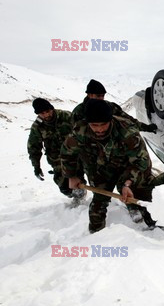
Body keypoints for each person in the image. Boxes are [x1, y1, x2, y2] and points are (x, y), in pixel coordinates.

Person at [61, 99, 158, 233]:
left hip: (126, 167)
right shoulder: (80, 131)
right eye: (94, 125)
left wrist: (128, 183)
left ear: (111, 120)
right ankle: (96, 237)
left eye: (103, 124)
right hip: (99, 169)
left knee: (140, 194)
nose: (99, 129)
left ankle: (156, 228)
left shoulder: (127, 131)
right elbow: (67, 153)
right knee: (98, 204)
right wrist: (72, 175)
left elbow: (142, 162)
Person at [27, 98, 86, 201]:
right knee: (64, 188)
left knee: (77, 180)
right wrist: (36, 166)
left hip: (74, 157)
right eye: (42, 113)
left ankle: (80, 201)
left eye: (48, 111)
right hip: (57, 161)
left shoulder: (66, 116)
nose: (46, 115)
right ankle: (73, 195)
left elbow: (82, 132)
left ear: (52, 109)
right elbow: (34, 147)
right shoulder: (37, 127)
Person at [71, 79, 157, 134]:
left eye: (102, 96)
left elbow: (128, 121)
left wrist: (147, 128)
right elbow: (73, 135)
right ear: (89, 95)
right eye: (98, 96)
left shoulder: (110, 107)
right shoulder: (78, 112)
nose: (101, 98)